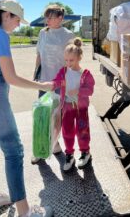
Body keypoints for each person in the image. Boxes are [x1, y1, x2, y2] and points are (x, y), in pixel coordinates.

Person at [0, 0, 53, 217]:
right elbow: (11, 77)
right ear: (6, 15)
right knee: (14, 151)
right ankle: (25, 211)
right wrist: (42, 85)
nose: (18, 25)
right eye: (17, 20)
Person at [39, 38, 95, 172]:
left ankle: (85, 153)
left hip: (81, 109)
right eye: (66, 60)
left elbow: (90, 90)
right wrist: (51, 85)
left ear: (79, 58)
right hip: (67, 107)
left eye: (72, 60)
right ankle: (69, 155)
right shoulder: (63, 72)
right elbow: (56, 81)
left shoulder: (86, 74)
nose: (68, 63)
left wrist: (79, 91)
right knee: (67, 131)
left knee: (82, 131)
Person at [32, 4, 74, 164]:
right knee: (42, 115)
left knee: (57, 116)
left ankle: (54, 144)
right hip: (44, 82)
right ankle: (42, 149)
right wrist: (35, 73)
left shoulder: (68, 35)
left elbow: (73, 60)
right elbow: (39, 54)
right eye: (46, 17)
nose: (46, 20)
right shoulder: (43, 33)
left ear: (60, 18)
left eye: (50, 17)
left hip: (61, 83)